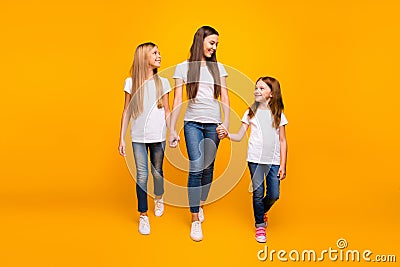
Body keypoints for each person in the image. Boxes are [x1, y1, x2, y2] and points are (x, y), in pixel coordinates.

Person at [169, 26, 230, 241]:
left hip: (214, 125)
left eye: (216, 44)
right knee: (196, 167)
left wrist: (226, 124)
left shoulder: (218, 68)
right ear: (200, 41)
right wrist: (171, 130)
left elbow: (224, 97)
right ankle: (195, 218)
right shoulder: (183, 67)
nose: (214, 47)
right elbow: (177, 100)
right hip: (192, 124)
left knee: (208, 167)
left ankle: (200, 203)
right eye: (211, 42)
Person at [217, 76, 288, 243]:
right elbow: (240, 135)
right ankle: (260, 225)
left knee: (274, 194)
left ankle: (262, 210)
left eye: (262, 88)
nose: (257, 91)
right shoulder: (250, 112)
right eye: (256, 87)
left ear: (272, 93)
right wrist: (228, 135)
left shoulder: (278, 114)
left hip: (274, 161)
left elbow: (283, 140)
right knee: (257, 193)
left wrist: (283, 165)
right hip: (255, 159)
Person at [118, 42, 171, 235]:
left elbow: (167, 110)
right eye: (154, 53)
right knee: (141, 175)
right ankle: (143, 215)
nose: (159, 55)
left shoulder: (163, 82)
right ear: (143, 58)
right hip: (138, 137)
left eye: (159, 52)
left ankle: (159, 196)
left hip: (158, 135)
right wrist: (121, 138)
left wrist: (172, 131)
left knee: (157, 172)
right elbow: (126, 111)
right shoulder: (130, 82)